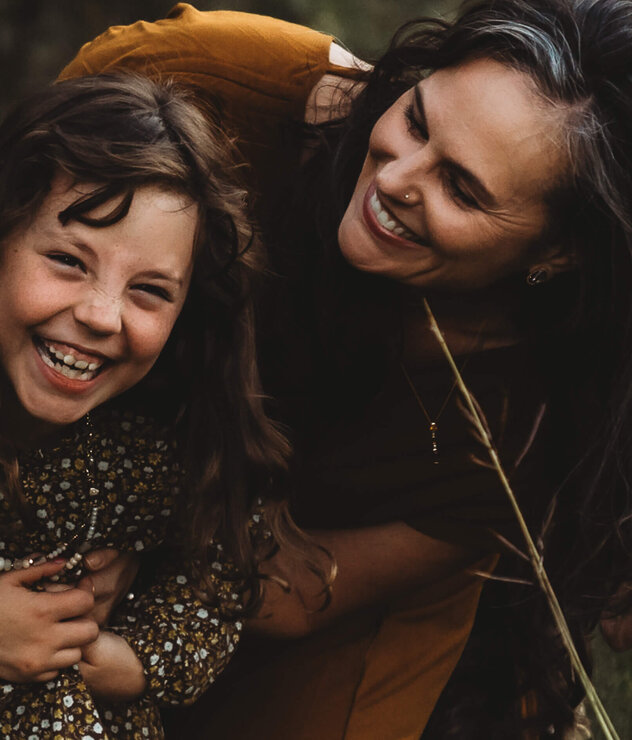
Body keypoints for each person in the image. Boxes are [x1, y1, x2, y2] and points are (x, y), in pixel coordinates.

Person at [52, 1, 632, 738]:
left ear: (559, 253)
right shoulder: (232, 82)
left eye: (462, 188)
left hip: (296, 626)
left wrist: (149, 552)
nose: (396, 177)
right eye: (417, 120)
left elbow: (297, 592)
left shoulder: (542, 415)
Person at [0, 71, 322, 739]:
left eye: (150, 291)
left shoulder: (168, 439)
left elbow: (212, 596)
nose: (100, 314)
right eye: (67, 260)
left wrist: (130, 662)